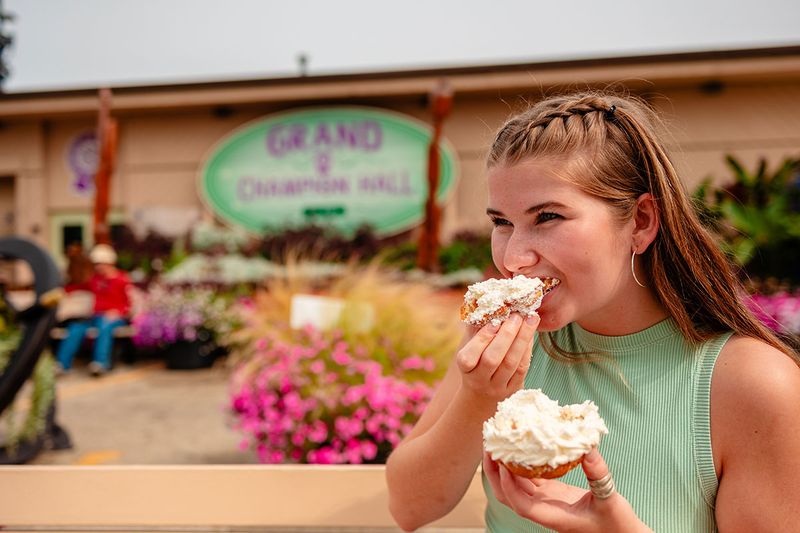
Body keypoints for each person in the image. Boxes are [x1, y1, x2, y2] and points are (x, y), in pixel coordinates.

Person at [385, 91, 800, 532]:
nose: (514, 258)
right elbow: (410, 508)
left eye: (548, 217)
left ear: (641, 221)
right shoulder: (508, 345)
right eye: (501, 222)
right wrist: (478, 397)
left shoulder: (753, 383)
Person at [56, 243, 131, 376]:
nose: (97, 267)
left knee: (104, 326)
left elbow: (129, 303)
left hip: (115, 318)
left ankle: (100, 363)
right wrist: (61, 292)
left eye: (100, 263)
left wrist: (118, 312)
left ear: (110, 263)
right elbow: (79, 287)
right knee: (75, 328)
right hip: (96, 316)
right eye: (96, 264)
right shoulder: (95, 279)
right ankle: (62, 364)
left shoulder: (122, 279)